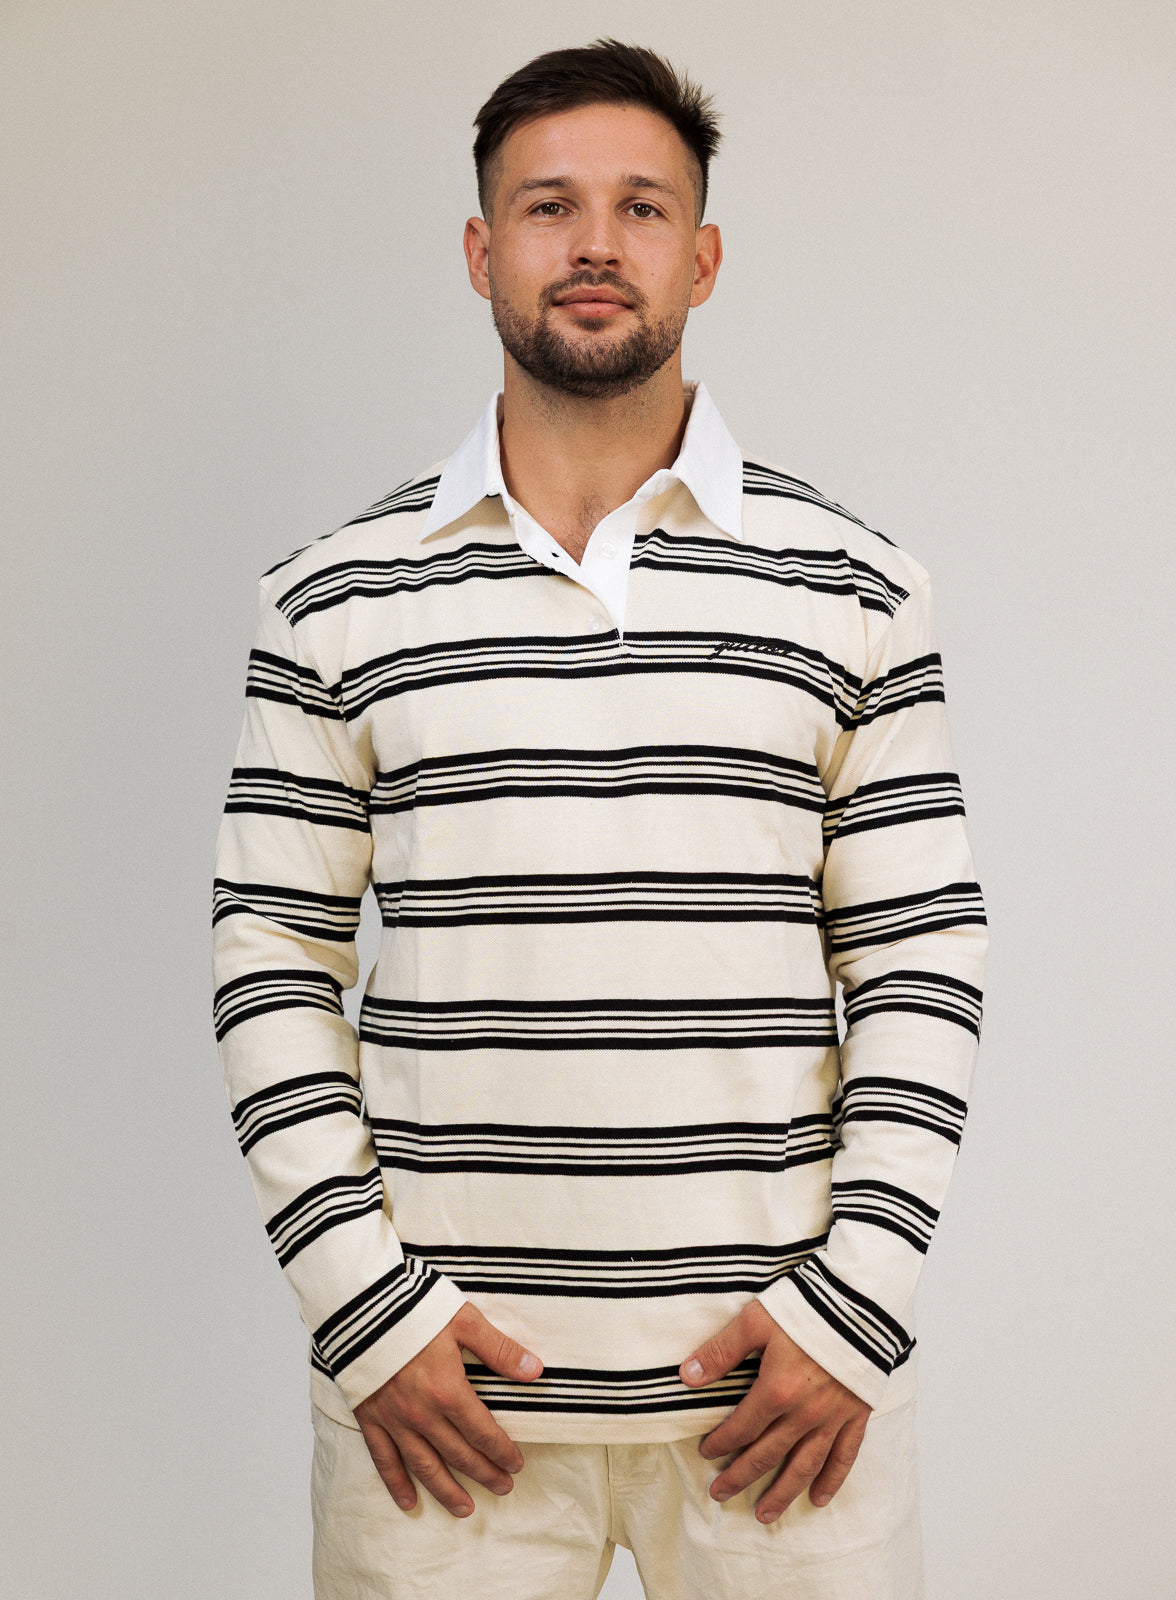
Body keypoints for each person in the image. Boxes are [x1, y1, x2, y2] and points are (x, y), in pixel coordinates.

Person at [213, 38, 986, 1599]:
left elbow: (922, 965)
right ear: (480, 251)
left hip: (784, 1408)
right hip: (441, 1417)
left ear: (702, 257)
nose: (594, 245)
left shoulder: (854, 587)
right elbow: (269, 965)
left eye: (641, 207)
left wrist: (853, 1315)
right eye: (548, 205)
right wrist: (365, 1312)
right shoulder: (333, 598)